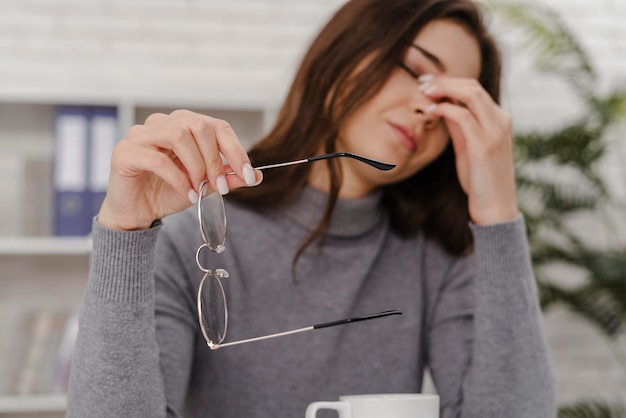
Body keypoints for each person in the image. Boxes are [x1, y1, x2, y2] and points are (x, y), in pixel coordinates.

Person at [67, 0, 556, 416]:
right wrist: (125, 232)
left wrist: (498, 215)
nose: (430, 110)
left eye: (455, 105)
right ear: (347, 52)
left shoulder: (437, 257)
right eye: (416, 71)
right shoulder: (192, 236)